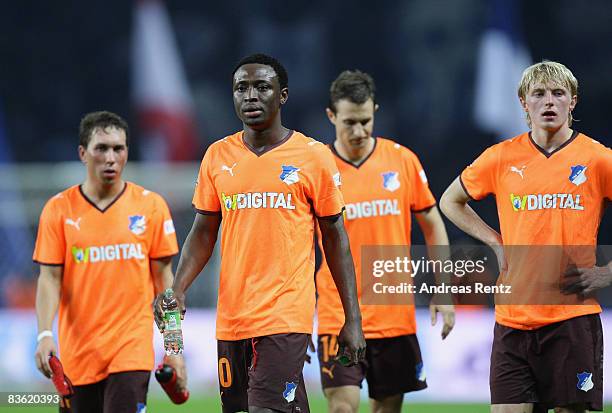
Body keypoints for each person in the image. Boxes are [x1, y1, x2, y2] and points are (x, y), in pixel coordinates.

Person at [154, 53, 366, 413]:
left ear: (282, 95)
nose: (250, 96)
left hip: (285, 314)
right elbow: (204, 232)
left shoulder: (313, 156)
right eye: (241, 88)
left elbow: (335, 238)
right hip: (232, 318)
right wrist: (178, 288)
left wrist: (353, 318)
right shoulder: (217, 156)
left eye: (261, 87)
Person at [440, 61, 611, 412]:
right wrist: (494, 241)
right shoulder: (501, 157)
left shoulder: (598, 160)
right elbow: (450, 201)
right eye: (539, 94)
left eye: (558, 93)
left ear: (573, 101)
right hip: (512, 321)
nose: (549, 101)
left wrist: (606, 273)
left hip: (572, 322)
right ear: (523, 102)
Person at [315, 70, 455, 413]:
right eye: (349, 122)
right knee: (342, 408)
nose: (359, 131)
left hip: (394, 313)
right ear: (331, 115)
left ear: (375, 110)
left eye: (366, 120)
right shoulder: (317, 168)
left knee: (387, 409)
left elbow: (432, 223)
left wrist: (444, 289)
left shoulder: (402, 160)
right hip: (340, 314)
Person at [33, 111, 185, 413]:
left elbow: (165, 285)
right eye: (101, 148)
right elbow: (49, 279)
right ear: (82, 153)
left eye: (119, 148)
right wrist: (44, 334)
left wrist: (174, 348)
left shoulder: (150, 206)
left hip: (131, 351)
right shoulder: (58, 210)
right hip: (78, 356)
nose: (111, 157)